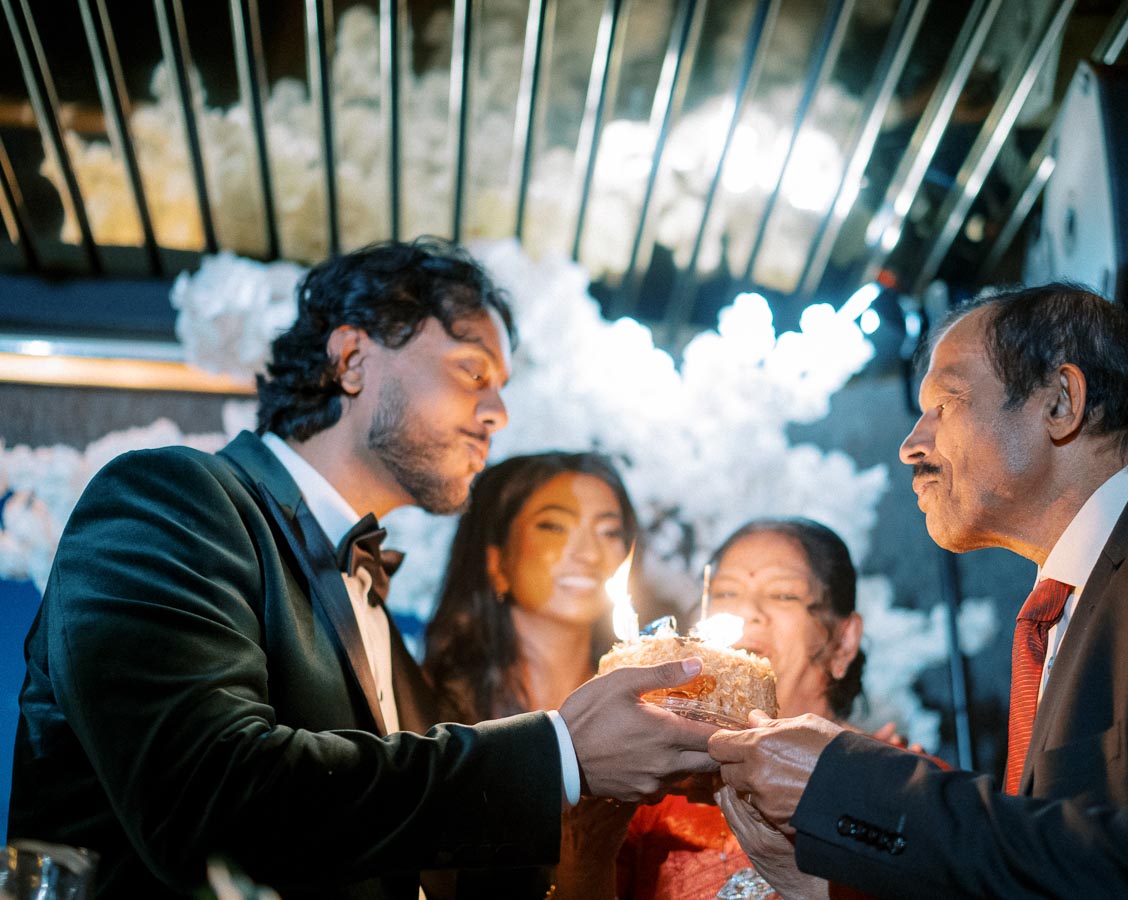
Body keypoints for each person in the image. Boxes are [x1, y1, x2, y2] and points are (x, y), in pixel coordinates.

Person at [8, 238, 719, 899]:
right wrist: (562, 751)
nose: (498, 412)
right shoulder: (169, 499)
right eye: (473, 371)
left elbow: (424, 854)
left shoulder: (373, 615)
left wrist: (615, 814)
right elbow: (210, 804)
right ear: (351, 359)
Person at [708, 283, 1128, 897]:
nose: (911, 445)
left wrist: (851, 784)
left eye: (945, 405)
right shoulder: (1063, 612)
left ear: (1060, 404)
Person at [421, 450, 641, 898]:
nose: (588, 553)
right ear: (496, 562)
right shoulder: (428, 711)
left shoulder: (650, 707)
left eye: (609, 531)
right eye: (554, 526)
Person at [617, 517, 868, 900]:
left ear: (844, 641)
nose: (746, 612)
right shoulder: (659, 794)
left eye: (783, 595)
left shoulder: (896, 793)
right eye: (727, 594)